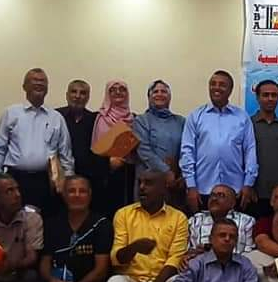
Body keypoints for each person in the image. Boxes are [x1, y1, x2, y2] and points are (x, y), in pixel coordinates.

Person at [0, 68, 74, 217]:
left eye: (43, 81)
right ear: (24, 86)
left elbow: (66, 155)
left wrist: (68, 183)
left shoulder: (56, 118)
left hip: (45, 181)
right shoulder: (11, 113)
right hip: (15, 179)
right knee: (13, 221)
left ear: (47, 88)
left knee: (44, 223)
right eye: (34, 80)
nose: (39, 84)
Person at [180, 70, 258, 213]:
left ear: (230, 90)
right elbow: (187, 152)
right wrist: (190, 185)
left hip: (236, 190)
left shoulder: (242, 117)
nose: (216, 87)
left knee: (234, 227)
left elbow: (250, 151)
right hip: (202, 191)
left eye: (222, 85)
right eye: (213, 84)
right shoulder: (195, 116)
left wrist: (248, 184)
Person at [133, 80, 186, 210]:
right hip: (148, 180)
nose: (160, 94)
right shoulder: (141, 121)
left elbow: (187, 149)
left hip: (175, 182)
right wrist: (166, 172)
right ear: (149, 97)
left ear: (170, 96)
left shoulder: (181, 121)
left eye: (164, 91)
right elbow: (144, 150)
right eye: (155, 91)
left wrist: (183, 174)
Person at [91, 80, 136, 215]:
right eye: (113, 89)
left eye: (122, 89)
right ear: (107, 94)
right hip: (104, 174)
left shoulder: (134, 119)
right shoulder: (99, 118)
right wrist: (108, 162)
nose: (118, 92)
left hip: (128, 174)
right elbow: (92, 151)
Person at [57, 79, 104, 189]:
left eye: (83, 93)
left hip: (88, 179)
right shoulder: (56, 116)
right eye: (74, 92)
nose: (77, 96)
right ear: (67, 95)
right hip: (61, 176)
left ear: (88, 97)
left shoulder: (95, 120)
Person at [186, 184, 255, 256]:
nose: (214, 199)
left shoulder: (247, 221)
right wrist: (194, 253)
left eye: (221, 195)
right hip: (200, 261)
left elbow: (249, 253)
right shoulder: (195, 220)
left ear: (233, 203)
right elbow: (187, 251)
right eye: (212, 195)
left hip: (237, 262)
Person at [249, 79, 278, 219]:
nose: (270, 99)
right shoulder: (247, 125)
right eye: (265, 95)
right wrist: (248, 186)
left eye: (274, 95)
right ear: (257, 98)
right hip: (254, 194)